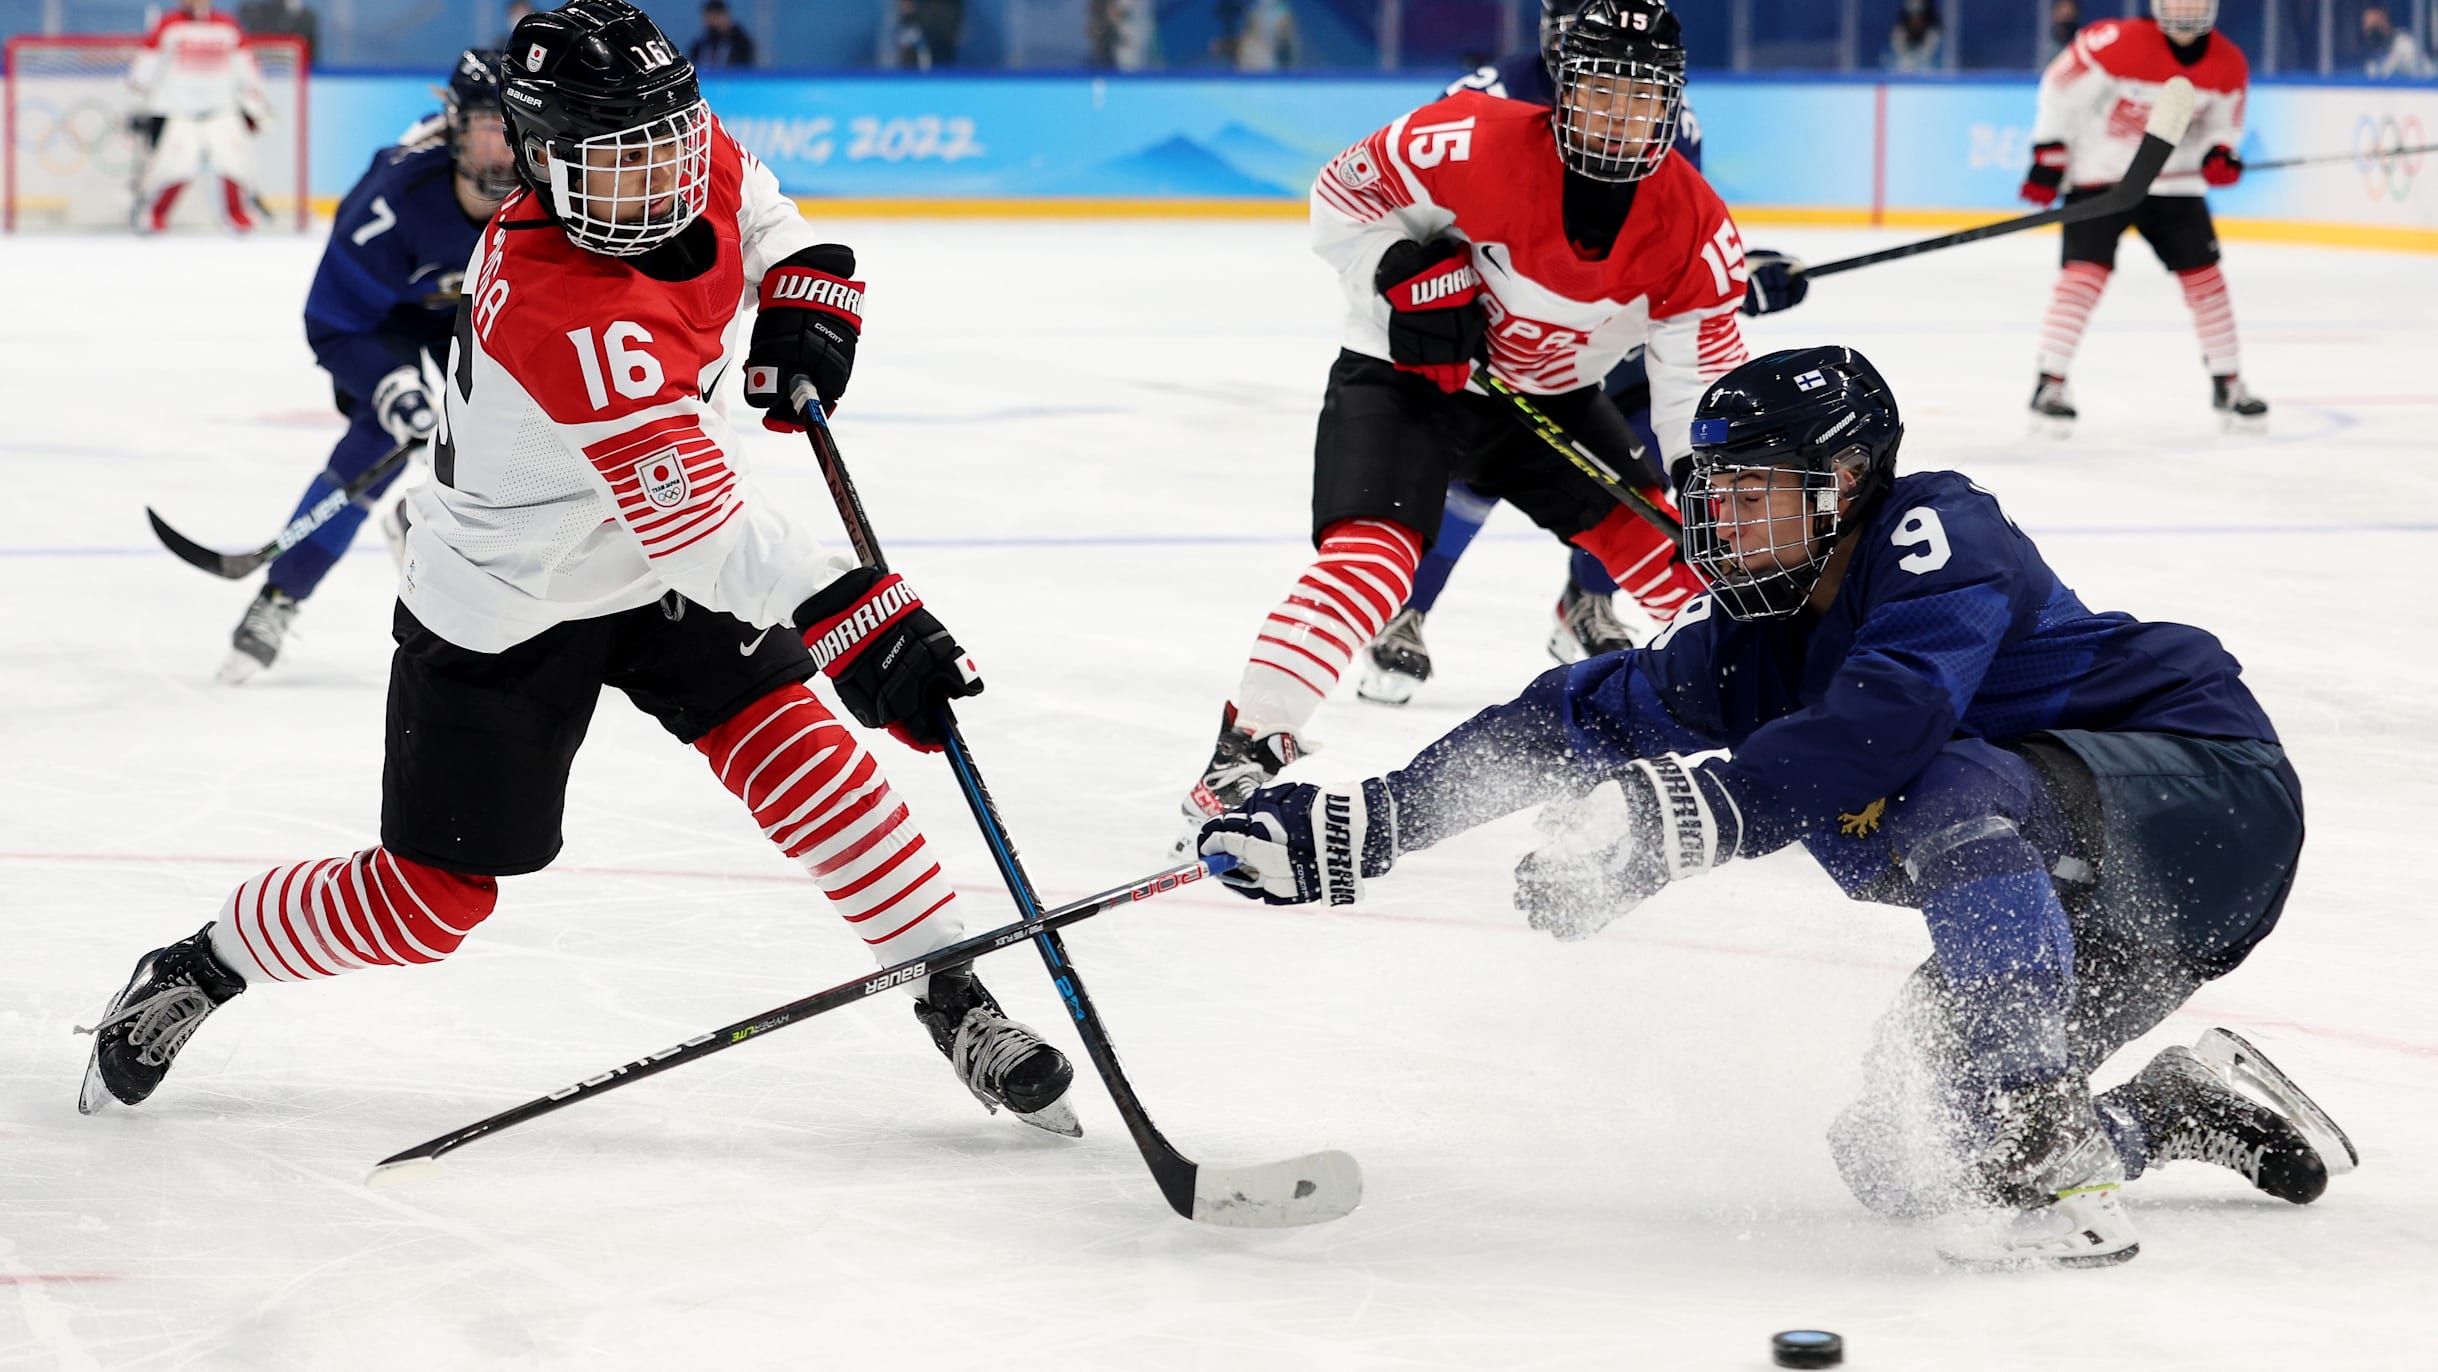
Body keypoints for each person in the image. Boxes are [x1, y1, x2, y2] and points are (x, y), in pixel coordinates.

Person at [79, 0, 1079, 1143]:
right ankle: (203, 964)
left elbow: (758, 209)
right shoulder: (558, 300)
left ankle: (950, 988)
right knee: (430, 900)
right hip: (513, 601)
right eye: (619, 162)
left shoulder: (665, 140)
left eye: (670, 144)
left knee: (802, 754)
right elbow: (700, 528)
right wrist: (862, 615)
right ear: (543, 161)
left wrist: (805, 284)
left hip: (664, 565)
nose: (657, 181)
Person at [1195, 345, 2353, 1267]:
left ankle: (2035, 1107)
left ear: (1847, 483)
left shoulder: (1937, 534)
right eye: (1714, 493)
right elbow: (1569, 718)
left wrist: (1673, 824)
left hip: (2208, 801)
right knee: (1899, 1157)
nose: (1720, 522)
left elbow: (1884, 729)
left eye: (1754, 493)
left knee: (1941, 777)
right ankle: (2169, 1111)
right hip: (2097, 918)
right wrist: (1374, 821)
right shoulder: (1754, 645)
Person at [1172, 0, 1749, 847]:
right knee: (1371, 559)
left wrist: (1712, 504)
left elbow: (1695, 396)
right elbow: (1341, 192)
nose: (1618, 117)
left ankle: (1756, 750)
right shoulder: (1470, 138)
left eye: (1640, 97)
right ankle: (1245, 751)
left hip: (1543, 401)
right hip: (1406, 379)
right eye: (1599, 92)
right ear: (1562, 88)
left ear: (1673, 106)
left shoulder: (1695, 227)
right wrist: (1394, 270)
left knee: (1685, 567)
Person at [1358, 0, 1810, 708]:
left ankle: (1587, 603)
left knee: (1642, 449)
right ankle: (1407, 607)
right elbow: (1412, 224)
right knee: (1483, 465)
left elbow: (1676, 231)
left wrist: (1733, 278)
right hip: (1502, 322)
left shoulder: (1665, 112)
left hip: (1608, 324)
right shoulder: (1485, 101)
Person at [216, 50, 516, 684]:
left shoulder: (551, 196)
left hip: (487, 314)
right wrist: (390, 384)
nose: (505, 149)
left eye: (516, 126)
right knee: (381, 435)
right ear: (456, 127)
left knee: (523, 438)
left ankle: (429, 519)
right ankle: (279, 597)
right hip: (395, 317)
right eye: (491, 125)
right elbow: (333, 320)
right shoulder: (397, 195)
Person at [2024, 0, 2265, 434]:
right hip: (2101, 178)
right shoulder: (2117, 42)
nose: (2186, 10)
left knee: (2206, 281)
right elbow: (2060, 87)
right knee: (2082, 278)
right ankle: (2050, 383)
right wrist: (2050, 150)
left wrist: (2219, 152)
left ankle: (2228, 380)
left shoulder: (2228, 62)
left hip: (2174, 183)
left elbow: (2222, 126)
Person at [126, 0, 275, 233]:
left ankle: (237, 215)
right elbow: (147, 62)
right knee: (176, 166)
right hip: (181, 111)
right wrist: (140, 83)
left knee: (233, 164)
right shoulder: (169, 24)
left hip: (221, 109)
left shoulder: (226, 25)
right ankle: (156, 214)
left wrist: (255, 95)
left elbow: (245, 62)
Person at [2363, 5, 2436, 79]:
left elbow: (2429, 77)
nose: (2371, 34)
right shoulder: (2373, 54)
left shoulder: (2405, 47)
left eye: (2376, 28)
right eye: (2368, 30)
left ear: (2386, 23)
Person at [688, 0, 757, 69]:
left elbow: (745, 68)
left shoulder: (742, 45)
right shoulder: (699, 47)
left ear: (726, 17)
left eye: (717, 17)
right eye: (710, 18)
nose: (714, 22)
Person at [1884, 0, 1943, 72]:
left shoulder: (1929, 5)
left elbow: (1937, 25)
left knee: (1933, 35)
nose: (1916, 20)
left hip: (1926, 47)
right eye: (1913, 17)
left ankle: (1921, 62)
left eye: (1919, 16)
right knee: (1898, 34)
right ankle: (1905, 62)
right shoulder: (1905, 7)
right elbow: (1899, 24)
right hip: (1907, 44)